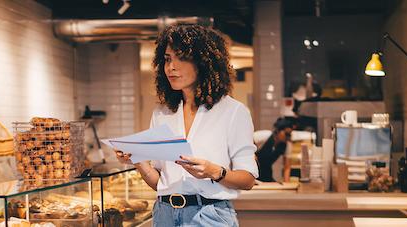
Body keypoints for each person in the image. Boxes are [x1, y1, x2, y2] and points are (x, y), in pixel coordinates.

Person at [115, 25, 258, 227]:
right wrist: (137, 159)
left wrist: (215, 172)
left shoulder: (233, 112)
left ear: (204, 62)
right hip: (164, 214)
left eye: (181, 57)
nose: (170, 67)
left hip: (209, 217)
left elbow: (248, 179)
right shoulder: (162, 113)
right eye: (167, 59)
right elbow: (160, 184)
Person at [255, 118, 294, 182]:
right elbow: (248, 139)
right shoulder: (266, 135)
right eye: (286, 134)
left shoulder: (287, 145)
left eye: (289, 135)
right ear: (278, 130)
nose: (288, 137)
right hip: (253, 173)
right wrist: (251, 154)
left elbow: (287, 167)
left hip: (266, 174)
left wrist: (287, 184)